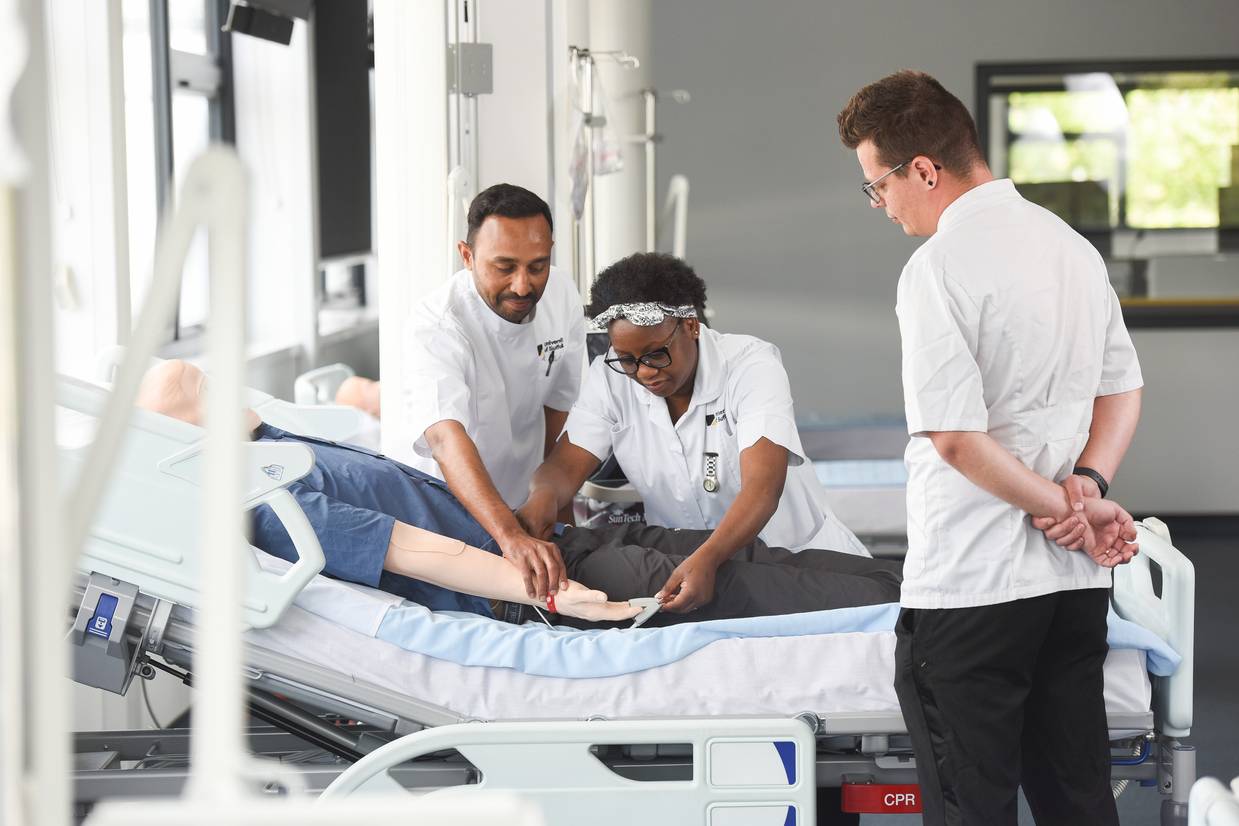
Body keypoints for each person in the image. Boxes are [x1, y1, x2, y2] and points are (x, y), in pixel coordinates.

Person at [837, 71, 1143, 825]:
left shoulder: (938, 267)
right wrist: (1088, 491)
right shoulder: (1068, 246)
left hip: (974, 586)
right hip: (1069, 587)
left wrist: (1062, 510)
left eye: (877, 186)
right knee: (1075, 796)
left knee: (970, 805)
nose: (882, 207)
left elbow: (953, 438)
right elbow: (1122, 388)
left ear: (924, 171)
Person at [136, 360, 904, 629]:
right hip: (536, 586)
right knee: (758, 588)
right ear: (184, 437)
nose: (226, 384)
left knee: (764, 556)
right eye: (202, 389)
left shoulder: (279, 446)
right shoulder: (263, 498)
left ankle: (916, 595)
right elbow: (413, 551)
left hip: (564, 545)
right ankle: (923, 621)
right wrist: (550, 594)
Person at [517, 252, 868, 618]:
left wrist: (710, 557)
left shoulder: (750, 366)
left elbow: (763, 487)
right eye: (627, 359)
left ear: (691, 326)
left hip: (797, 561)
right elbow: (563, 467)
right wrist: (540, 501)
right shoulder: (609, 380)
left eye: (656, 354)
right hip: (692, 575)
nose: (643, 373)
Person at [402, 183, 586, 603]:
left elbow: (560, 411)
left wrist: (561, 518)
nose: (523, 286)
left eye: (537, 266)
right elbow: (446, 439)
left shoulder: (561, 294)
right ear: (466, 256)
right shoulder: (437, 322)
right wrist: (508, 536)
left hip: (525, 501)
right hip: (444, 506)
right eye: (504, 267)